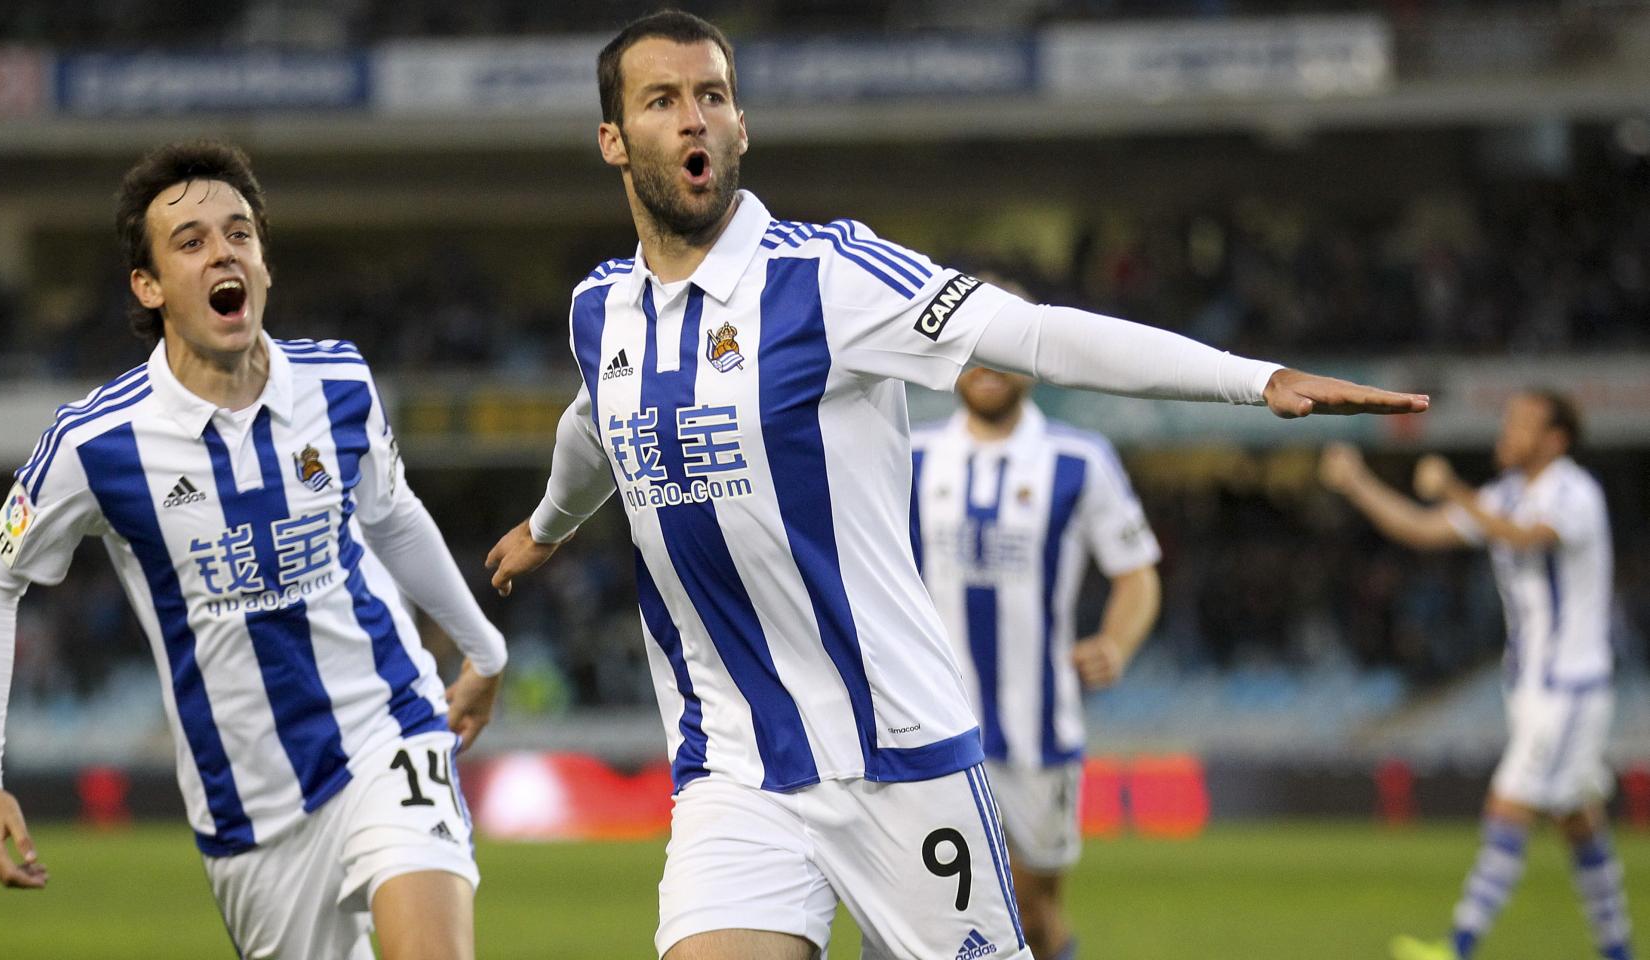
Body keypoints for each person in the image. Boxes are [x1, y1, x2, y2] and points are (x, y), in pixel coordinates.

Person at [485, 11, 1426, 960]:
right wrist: (549, 525)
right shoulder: (602, 310)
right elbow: (594, 423)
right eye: (662, 101)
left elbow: (1039, 335)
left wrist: (1252, 379)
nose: (695, 117)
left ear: (741, 126)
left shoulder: (827, 279)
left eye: (713, 96)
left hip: (899, 753)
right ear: (613, 140)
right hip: (735, 767)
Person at [0, 139, 506, 960]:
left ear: (264, 264)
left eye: (239, 232)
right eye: (190, 241)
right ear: (148, 287)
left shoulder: (340, 385)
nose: (223, 251)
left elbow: (392, 516)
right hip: (249, 812)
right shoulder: (96, 443)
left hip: (387, 729)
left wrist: (484, 649)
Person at [1319, 391, 1629, 960]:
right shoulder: (1505, 494)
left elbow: (1525, 536)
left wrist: (1454, 489)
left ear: (1555, 440)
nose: (1507, 432)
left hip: (1569, 686)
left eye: (1522, 424)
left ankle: (1458, 946)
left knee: (1508, 805)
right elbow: (1421, 528)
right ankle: (1618, 950)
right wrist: (1357, 482)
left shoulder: (1574, 492)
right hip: (1532, 687)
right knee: (1578, 823)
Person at [910, 364, 1161, 960]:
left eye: (1003, 352)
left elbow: (1137, 574)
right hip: (934, 727)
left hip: (1039, 733)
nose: (987, 368)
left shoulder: (1079, 459)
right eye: (975, 352)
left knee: (1032, 914)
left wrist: (1115, 643)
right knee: (942, 913)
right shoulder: (910, 452)